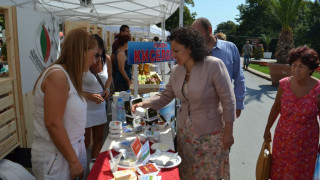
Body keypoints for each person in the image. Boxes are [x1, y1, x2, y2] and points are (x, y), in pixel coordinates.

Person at [132, 27, 236, 180]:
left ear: (190, 48)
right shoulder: (176, 70)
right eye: (171, 51)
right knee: (187, 174)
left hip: (210, 135)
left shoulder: (213, 65)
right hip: (186, 135)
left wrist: (229, 132)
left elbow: (229, 100)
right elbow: (166, 95)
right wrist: (145, 103)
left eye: (176, 51)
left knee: (208, 175)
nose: (173, 55)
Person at [31, 28, 98, 180]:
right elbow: (53, 123)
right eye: (93, 55)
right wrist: (73, 160)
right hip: (57, 157)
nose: (94, 61)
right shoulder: (58, 76)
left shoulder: (68, 75)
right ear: (81, 51)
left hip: (67, 153)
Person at [263, 46, 320, 179]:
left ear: (311, 69)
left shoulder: (318, 90)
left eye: (301, 66)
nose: (296, 69)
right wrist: (267, 129)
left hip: (307, 142)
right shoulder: (284, 84)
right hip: (283, 138)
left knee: (301, 173)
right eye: (294, 65)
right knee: (279, 170)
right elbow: (276, 107)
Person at [192, 17, 245, 118]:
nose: (196, 37)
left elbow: (239, 78)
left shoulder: (231, 48)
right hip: (199, 108)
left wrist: (238, 104)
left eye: (198, 33)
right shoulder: (193, 51)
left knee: (225, 133)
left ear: (209, 30)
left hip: (224, 106)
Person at [82, 34, 112, 160]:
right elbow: (72, 86)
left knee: (99, 140)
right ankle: (82, 169)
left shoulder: (107, 59)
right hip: (84, 106)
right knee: (85, 142)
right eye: (95, 54)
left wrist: (107, 89)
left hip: (100, 106)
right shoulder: (82, 61)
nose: (97, 58)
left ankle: (94, 167)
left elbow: (110, 76)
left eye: (99, 54)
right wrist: (88, 95)